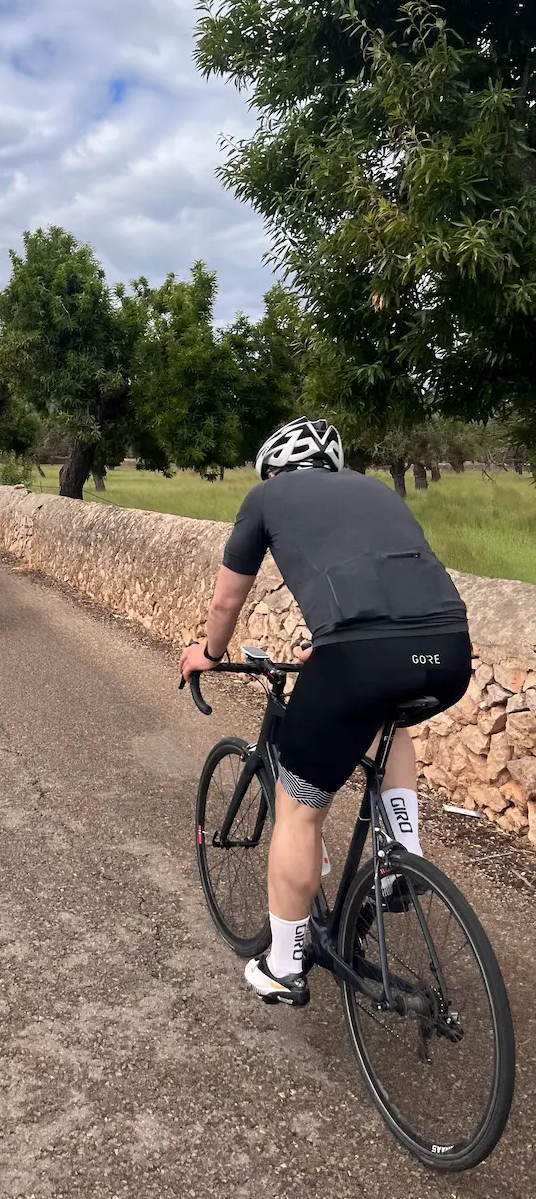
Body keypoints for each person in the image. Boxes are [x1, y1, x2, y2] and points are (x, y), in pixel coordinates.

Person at [179, 417, 471, 1008]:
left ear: (273, 470)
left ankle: (284, 965)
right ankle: (402, 857)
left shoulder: (266, 498)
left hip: (359, 659)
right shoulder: (375, 490)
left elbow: (226, 600)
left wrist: (208, 653)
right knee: (389, 719)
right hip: (447, 652)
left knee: (299, 811)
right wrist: (334, 645)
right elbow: (388, 582)